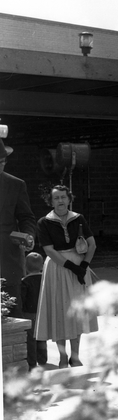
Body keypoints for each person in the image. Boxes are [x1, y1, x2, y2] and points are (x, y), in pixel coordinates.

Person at [34, 185, 98, 368]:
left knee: (76, 313)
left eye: (63, 197)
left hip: (79, 268)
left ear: (69, 199)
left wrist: (83, 267)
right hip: (57, 269)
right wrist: (72, 267)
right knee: (59, 312)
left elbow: (92, 245)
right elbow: (49, 251)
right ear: (51, 201)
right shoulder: (44, 222)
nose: (60, 201)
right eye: (56, 198)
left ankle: (75, 356)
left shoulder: (78, 219)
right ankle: (63, 358)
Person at [0, 136, 38, 368]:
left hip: (8, 257)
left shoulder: (16, 184)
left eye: (3, 161)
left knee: (16, 310)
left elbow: (26, 218)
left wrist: (29, 235)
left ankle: (29, 366)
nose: (1, 164)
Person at [20, 252, 46, 368]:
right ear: (42, 266)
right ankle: (43, 358)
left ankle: (32, 362)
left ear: (26, 267)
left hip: (29, 313)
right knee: (42, 336)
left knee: (31, 338)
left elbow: (22, 298)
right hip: (43, 312)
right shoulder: (45, 280)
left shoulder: (24, 282)